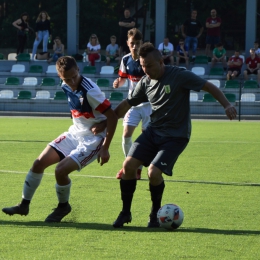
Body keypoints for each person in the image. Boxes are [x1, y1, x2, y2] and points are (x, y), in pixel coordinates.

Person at [112, 42, 237, 228]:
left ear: (161, 62)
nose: (145, 70)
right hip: (153, 132)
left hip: (176, 136)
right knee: (128, 166)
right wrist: (107, 120)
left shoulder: (178, 75)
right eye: (143, 66)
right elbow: (127, 103)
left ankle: (155, 214)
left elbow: (208, 86)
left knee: (153, 173)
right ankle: (125, 213)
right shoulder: (145, 82)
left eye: (149, 65)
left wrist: (227, 104)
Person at [2, 56, 118, 222]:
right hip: (74, 134)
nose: (71, 81)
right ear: (60, 77)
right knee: (38, 163)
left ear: (78, 69)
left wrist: (105, 147)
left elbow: (112, 116)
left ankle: (63, 206)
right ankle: (23, 205)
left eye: (74, 76)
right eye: (66, 79)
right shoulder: (65, 85)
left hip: (92, 140)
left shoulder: (90, 91)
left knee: (60, 171)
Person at [113, 28, 151, 180]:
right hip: (132, 105)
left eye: (137, 43)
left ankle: (137, 169)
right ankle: (129, 166)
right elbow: (123, 79)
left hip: (149, 105)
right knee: (126, 136)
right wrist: (118, 82)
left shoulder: (147, 60)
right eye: (132, 43)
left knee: (144, 139)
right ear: (128, 44)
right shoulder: (125, 60)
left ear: (142, 43)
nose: (135, 46)